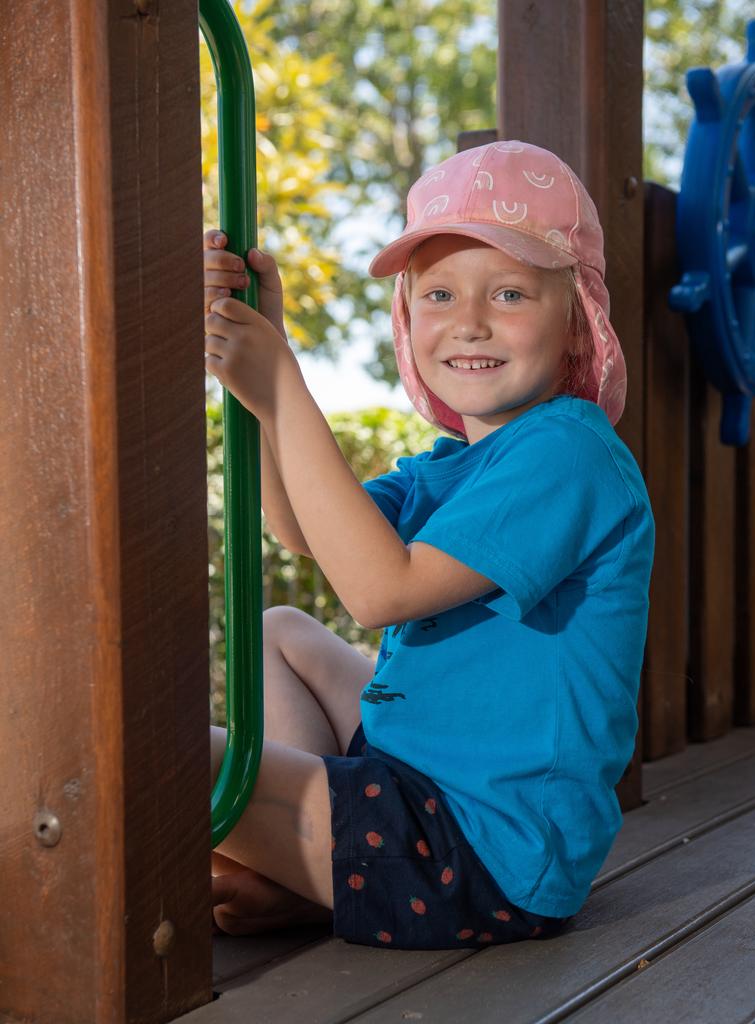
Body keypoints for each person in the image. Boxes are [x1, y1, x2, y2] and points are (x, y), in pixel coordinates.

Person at [203, 140, 655, 950]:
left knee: (167, 761)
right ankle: (304, 876)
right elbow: (300, 529)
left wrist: (285, 386)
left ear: (577, 323)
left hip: (485, 849)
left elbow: (382, 592)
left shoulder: (569, 451)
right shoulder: (448, 467)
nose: (470, 321)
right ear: (409, 319)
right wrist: (269, 381)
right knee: (280, 631)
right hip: (415, 781)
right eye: (440, 293)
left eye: (510, 292)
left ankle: (317, 872)